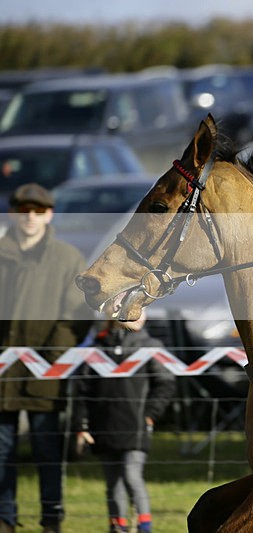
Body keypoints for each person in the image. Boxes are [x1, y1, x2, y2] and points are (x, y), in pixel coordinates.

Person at [0, 183, 92, 533]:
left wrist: (51, 359)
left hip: (46, 374)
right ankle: (4, 519)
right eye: (24, 211)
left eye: (37, 211)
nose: (30, 218)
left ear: (49, 214)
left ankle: (51, 520)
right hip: (3, 375)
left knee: (47, 452)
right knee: (2, 452)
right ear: (14, 213)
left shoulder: (67, 259)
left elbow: (76, 316)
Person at [72, 310, 175, 533]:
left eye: (142, 310)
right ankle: (118, 526)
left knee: (131, 475)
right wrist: (81, 426)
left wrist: (150, 414)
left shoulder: (150, 346)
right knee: (113, 482)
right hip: (104, 425)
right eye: (131, 310)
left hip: (136, 425)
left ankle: (144, 526)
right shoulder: (97, 348)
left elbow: (165, 384)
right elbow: (83, 391)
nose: (139, 315)